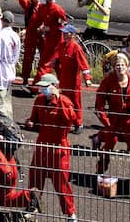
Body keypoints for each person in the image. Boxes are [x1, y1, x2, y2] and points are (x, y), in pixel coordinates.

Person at [22, 74, 79, 222]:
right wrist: (30, 122)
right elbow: (33, 118)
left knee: (61, 184)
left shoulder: (64, 102)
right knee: (35, 178)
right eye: (41, 86)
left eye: (45, 86)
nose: (42, 89)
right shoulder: (39, 100)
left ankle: (70, 213)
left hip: (59, 148)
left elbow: (71, 119)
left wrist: (59, 100)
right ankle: (33, 205)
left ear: (54, 86)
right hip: (42, 145)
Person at [93, 52, 130, 188]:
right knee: (109, 146)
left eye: (122, 65)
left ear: (127, 66)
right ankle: (99, 173)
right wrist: (106, 122)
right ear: (113, 67)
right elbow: (99, 104)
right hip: (114, 120)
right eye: (117, 65)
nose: (120, 67)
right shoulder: (107, 81)